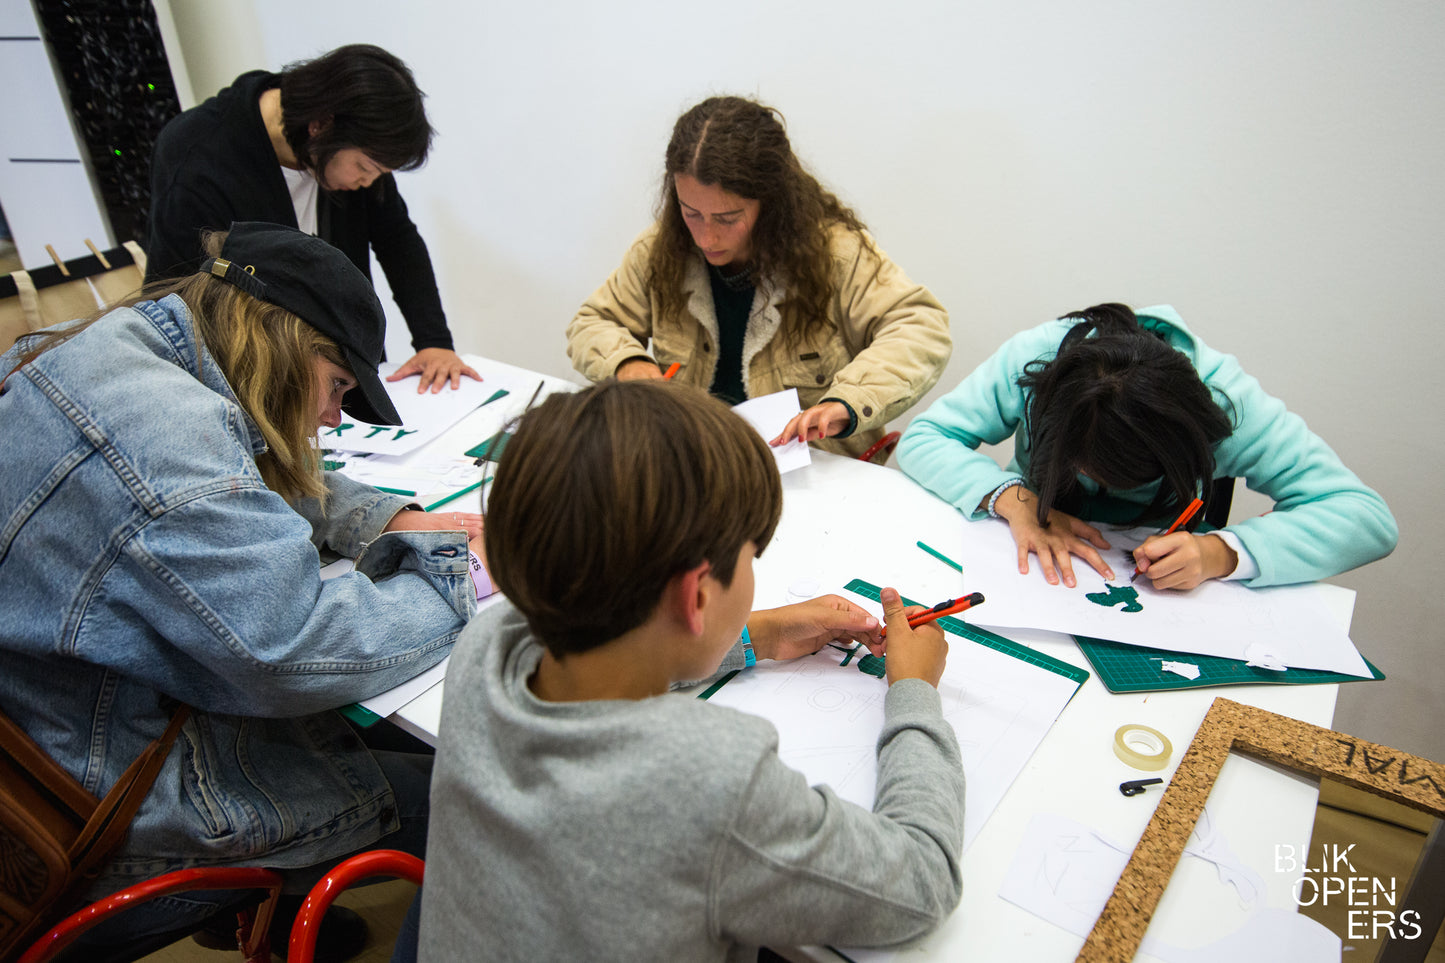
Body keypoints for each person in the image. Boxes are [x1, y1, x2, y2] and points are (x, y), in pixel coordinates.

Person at [0, 222, 491, 953]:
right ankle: (274, 902)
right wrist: (464, 576)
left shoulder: (116, 349)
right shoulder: (167, 441)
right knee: (473, 809)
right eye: (337, 389)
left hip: (50, 747)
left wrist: (393, 516)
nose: (331, 418)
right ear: (287, 344)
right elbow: (291, 647)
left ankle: (282, 913)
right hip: (102, 819)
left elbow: (242, 470)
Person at [420, 380, 965, 961]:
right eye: (752, 559)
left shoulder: (487, 646)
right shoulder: (713, 778)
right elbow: (921, 882)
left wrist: (758, 634)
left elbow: (611, 655)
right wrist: (913, 692)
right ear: (696, 595)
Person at [897, 303, 1398, 590]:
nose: (1097, 484)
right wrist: (1016, 500)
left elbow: (1364, 517)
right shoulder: (1039, 363)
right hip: (1028, 572)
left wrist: (1219, 553)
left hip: (1158, 592)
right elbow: (926, 436)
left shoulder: (1231, 407)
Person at [565, 95, 952, 458]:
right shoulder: (662, 248)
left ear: (772, 203)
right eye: (691, 212)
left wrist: (847, 400)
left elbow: (921, 327)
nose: (706, 237)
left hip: (811, 478)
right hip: (695, 460)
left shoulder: (836, 253)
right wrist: (627, 364)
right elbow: (594, 321)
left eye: (727, 218)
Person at [146, 43, 479, 394]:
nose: (367, 182)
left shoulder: (353, 144)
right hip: (248, 383)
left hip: (342, 375)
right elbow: (176, 297)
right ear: (320, 125)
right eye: (365, 168)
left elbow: (397, 240)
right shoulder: (198, 156)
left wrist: (434, 341)